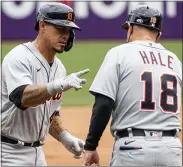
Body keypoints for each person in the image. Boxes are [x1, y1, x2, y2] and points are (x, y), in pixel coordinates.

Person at [82, 5, 182, 166]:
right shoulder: (175, 61)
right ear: (158, 35)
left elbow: (104, 103)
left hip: (133, 149)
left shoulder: (119, 53)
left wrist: (91, 146)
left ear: (131, 28)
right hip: (171, 149)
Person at [1, 2, 89, 166]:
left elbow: (50, 114)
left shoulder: (59, 68)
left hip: (37, 154)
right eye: (60, 29)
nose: (66, 36)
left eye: (69, 31)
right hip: (7, 152)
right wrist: (56, 86)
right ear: (42, 25)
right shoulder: (19, 57)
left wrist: (65, 137)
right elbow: (22, 97)